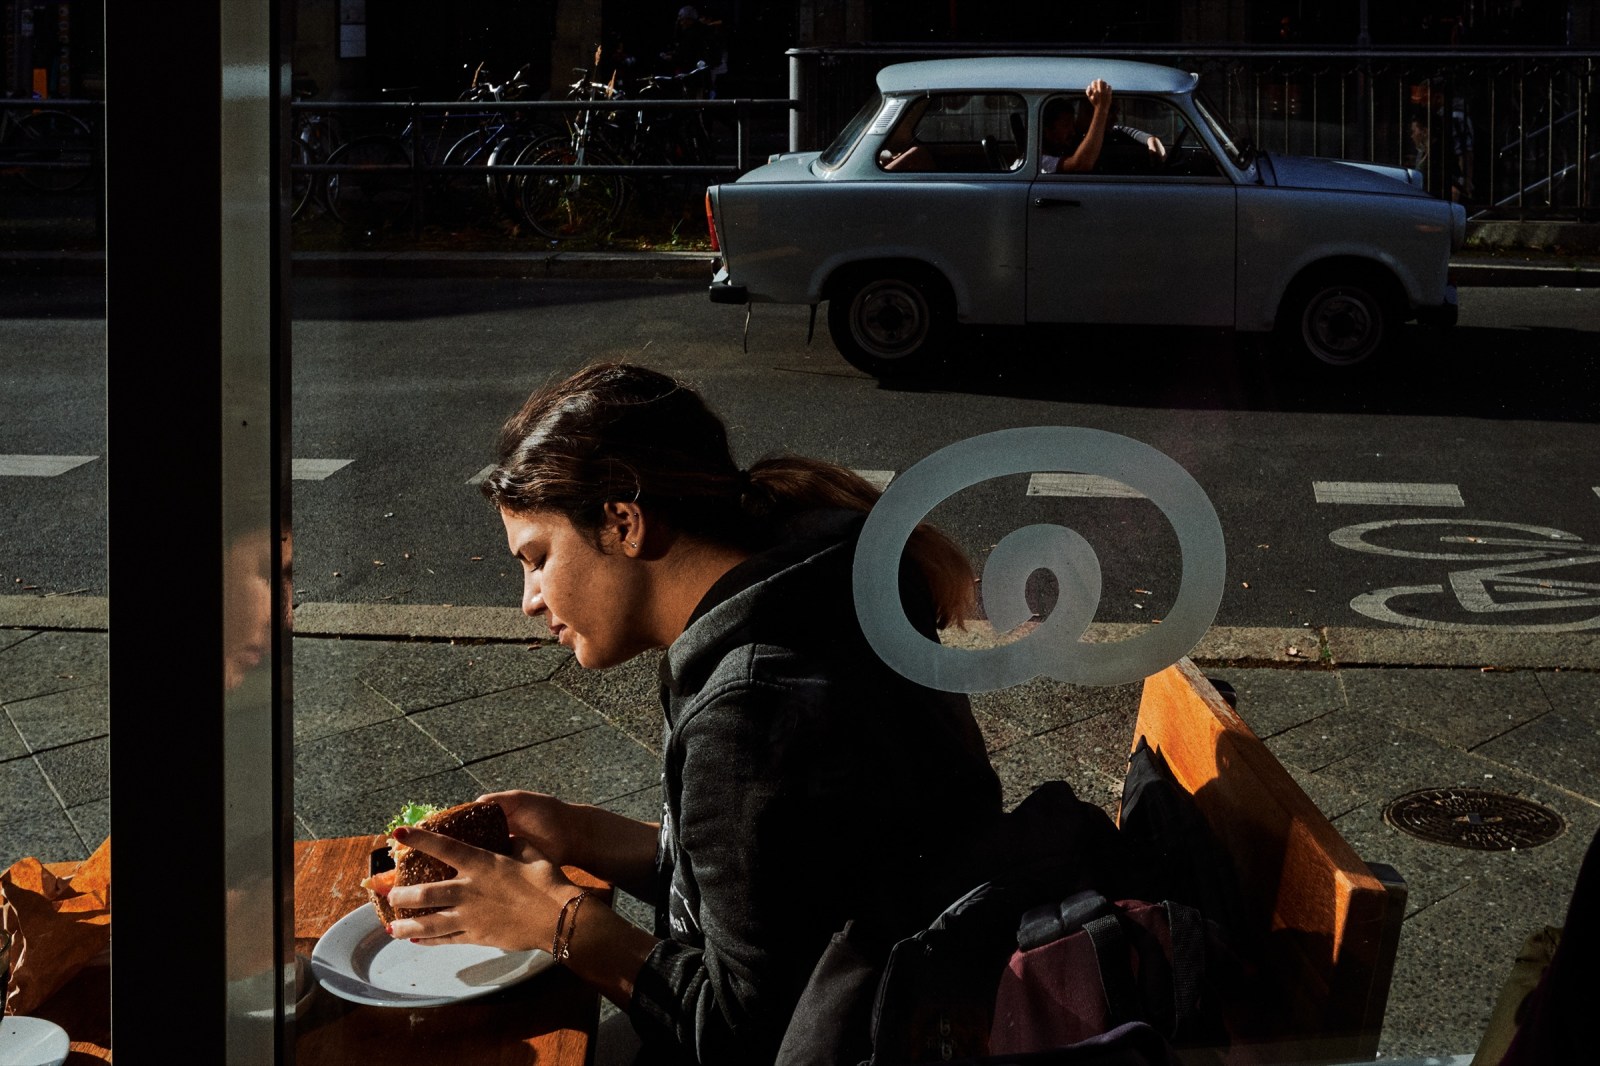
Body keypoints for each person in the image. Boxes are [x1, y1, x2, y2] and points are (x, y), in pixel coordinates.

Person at [383, 363, 1004, 1064]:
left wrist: (556, 922)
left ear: (624, 521)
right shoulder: (811, 599)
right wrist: (575, 832)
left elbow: (743, 1035)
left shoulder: (755, 706)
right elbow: (763, 894)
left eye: (537, 558)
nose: (528, 599)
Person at [1040, 80, 1165, 174]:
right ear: (1047, 130)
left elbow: (1120, 130)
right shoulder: (1041, 161)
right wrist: (1101, 109)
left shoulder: (1071, 139)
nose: (1072, 131)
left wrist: (1150, 139)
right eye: (1066, 125)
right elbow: (1080, 165)